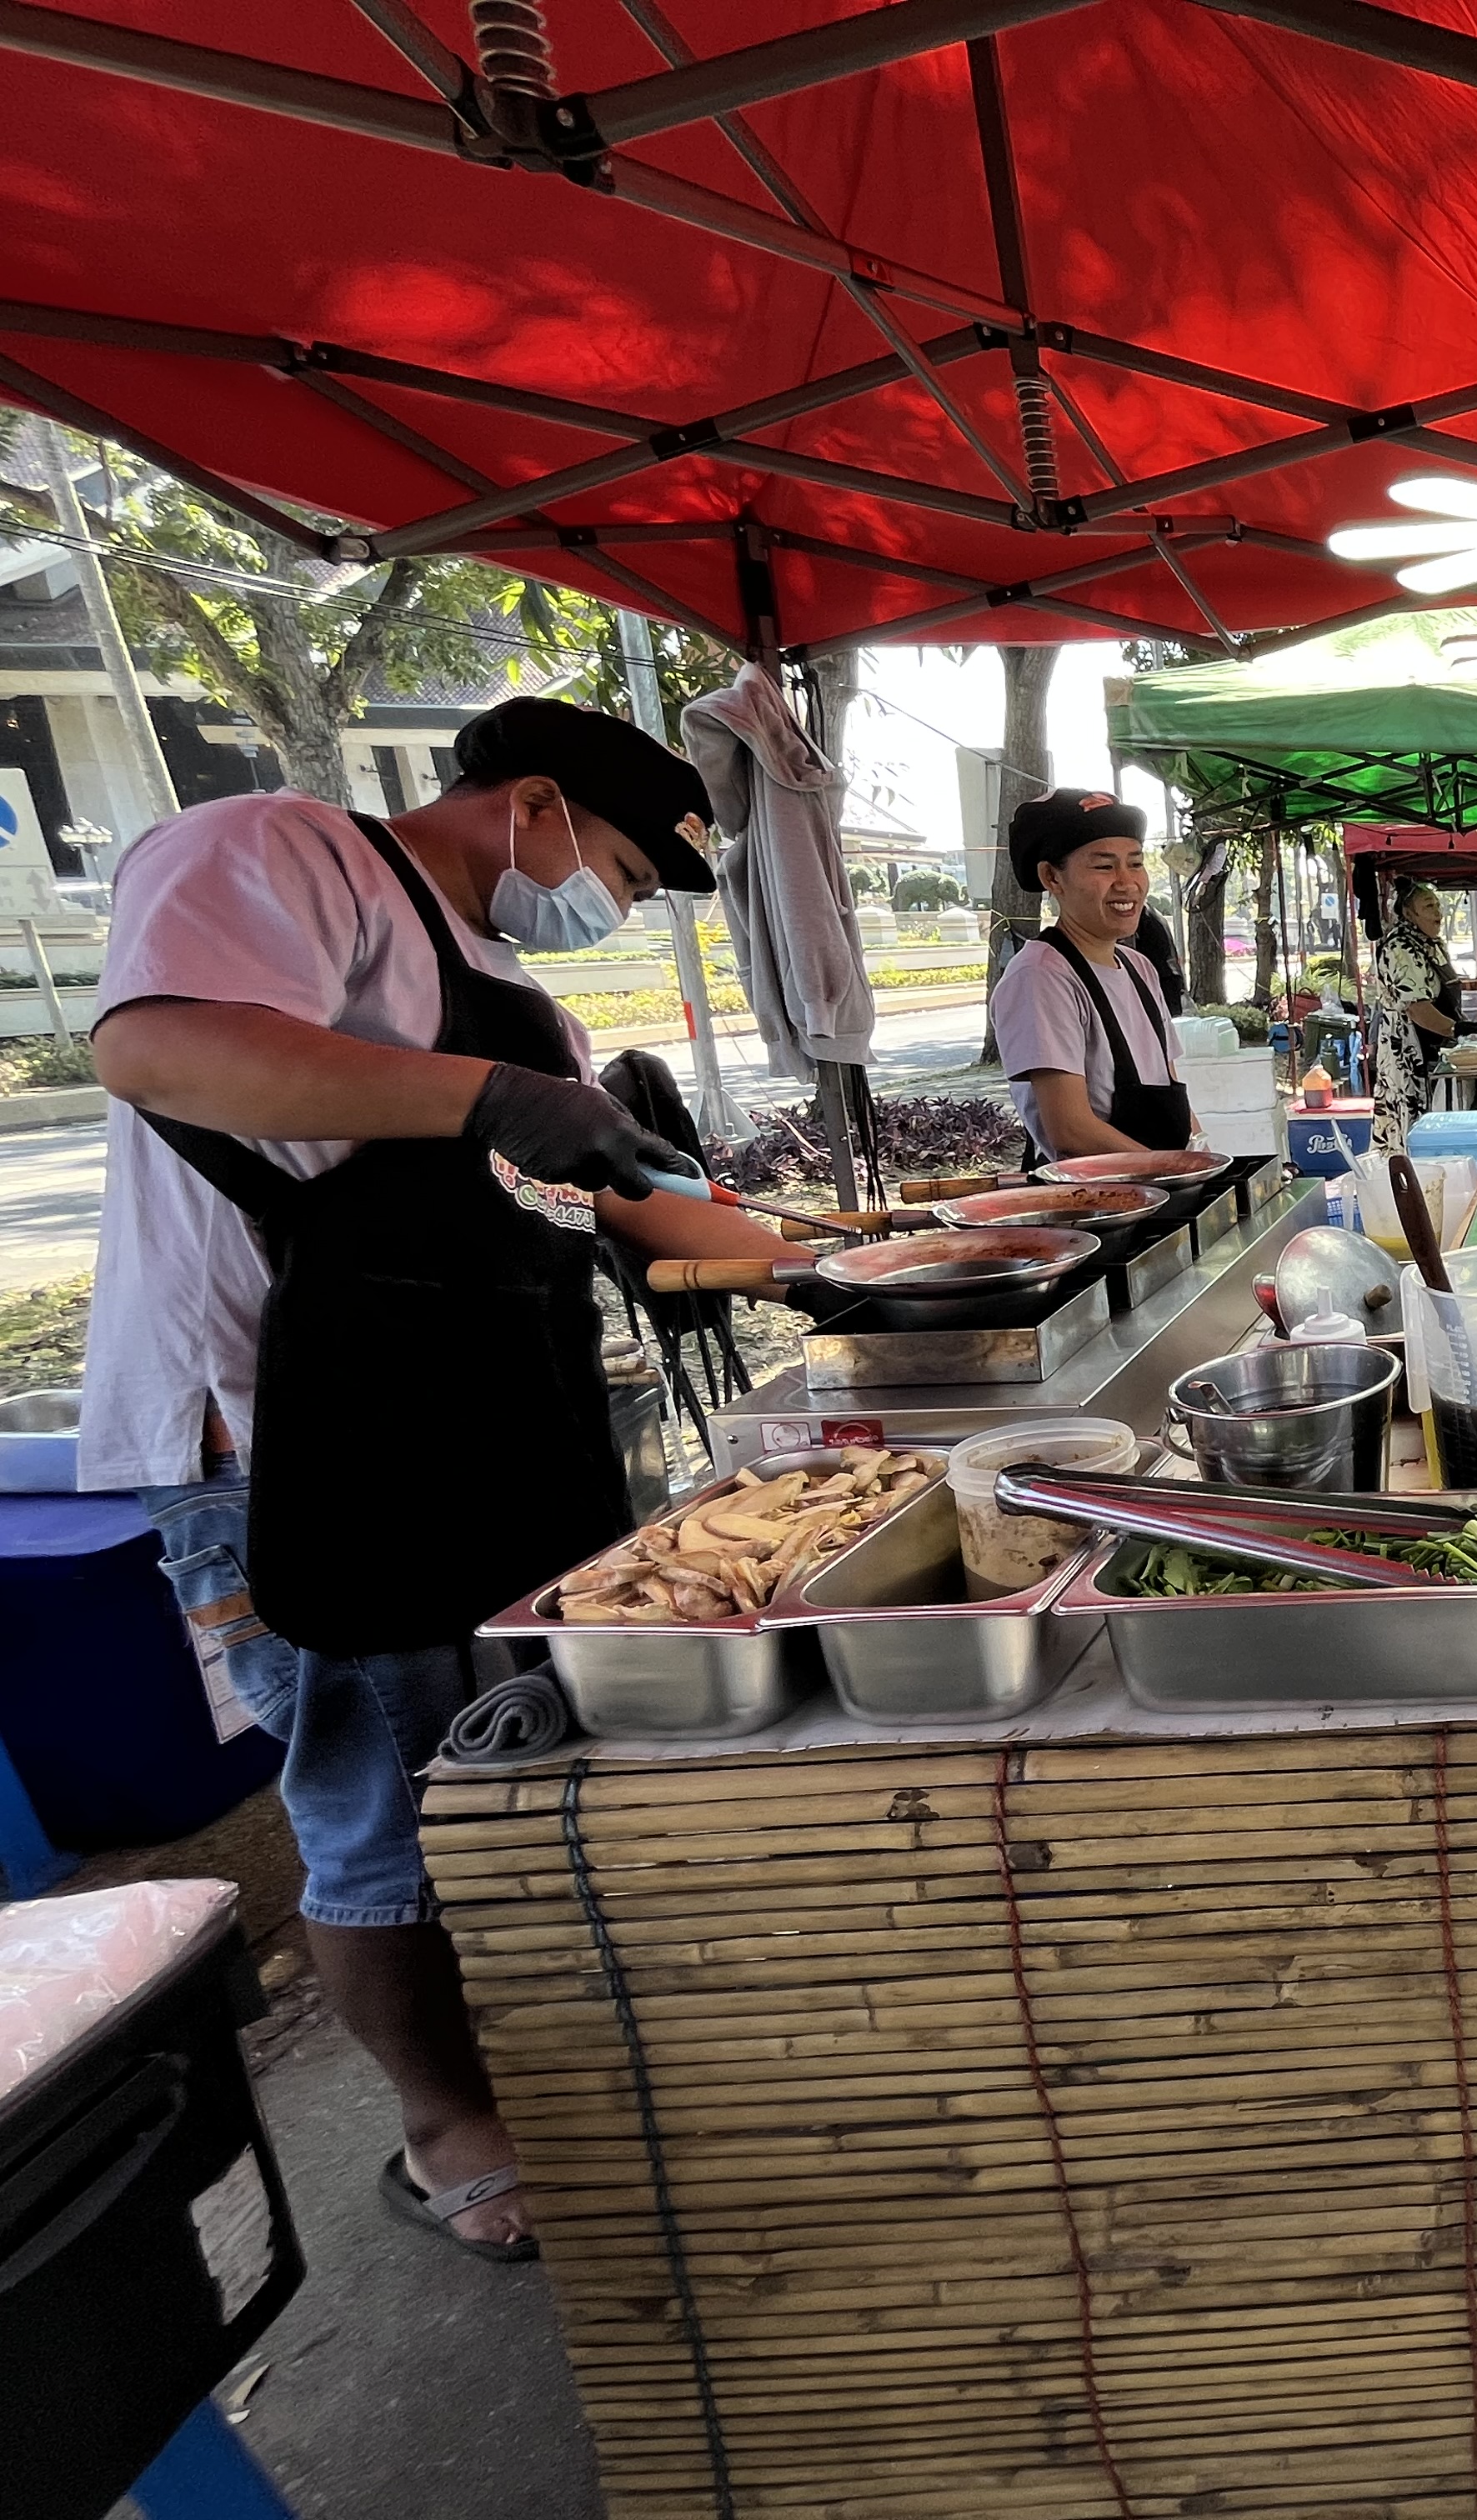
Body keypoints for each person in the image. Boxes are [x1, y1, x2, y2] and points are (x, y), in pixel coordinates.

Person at [81, 697, 829, 2262]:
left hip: (473, 1431)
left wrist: (859, 1270)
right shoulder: (286, 851)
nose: (608, 904)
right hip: (280, 1437)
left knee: (506, 1776)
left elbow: (640, 1209)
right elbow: (162, 1045)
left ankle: (546, 2075)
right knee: (381, 1802)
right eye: (618, 866)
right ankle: (447, 2131)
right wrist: (483, 1100)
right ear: (534, 807)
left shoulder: (526, 1012)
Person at [990, 792, 1194, 1162]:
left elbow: (1169, 1087)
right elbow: (1070, 1131)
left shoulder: (1139, 968)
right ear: (1052, 877)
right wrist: (1173, 1171)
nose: (1127, 882)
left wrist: (1203, 1157)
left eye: (1135, 864)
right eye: (1104, 867)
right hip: (1094, 1205)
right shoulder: (1041, 976)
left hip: (1163, 1191)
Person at [1370, 879, 1462, 1133]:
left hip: (1435, 1044)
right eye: (1429, 906)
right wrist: (1459, 1031)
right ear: (1409, 913)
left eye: (1438, 905)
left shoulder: (1429, 943)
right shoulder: (1401, 947)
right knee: (1415, 1127)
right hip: (1410, 1047)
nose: (1438, 912)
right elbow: (1418, 1009)